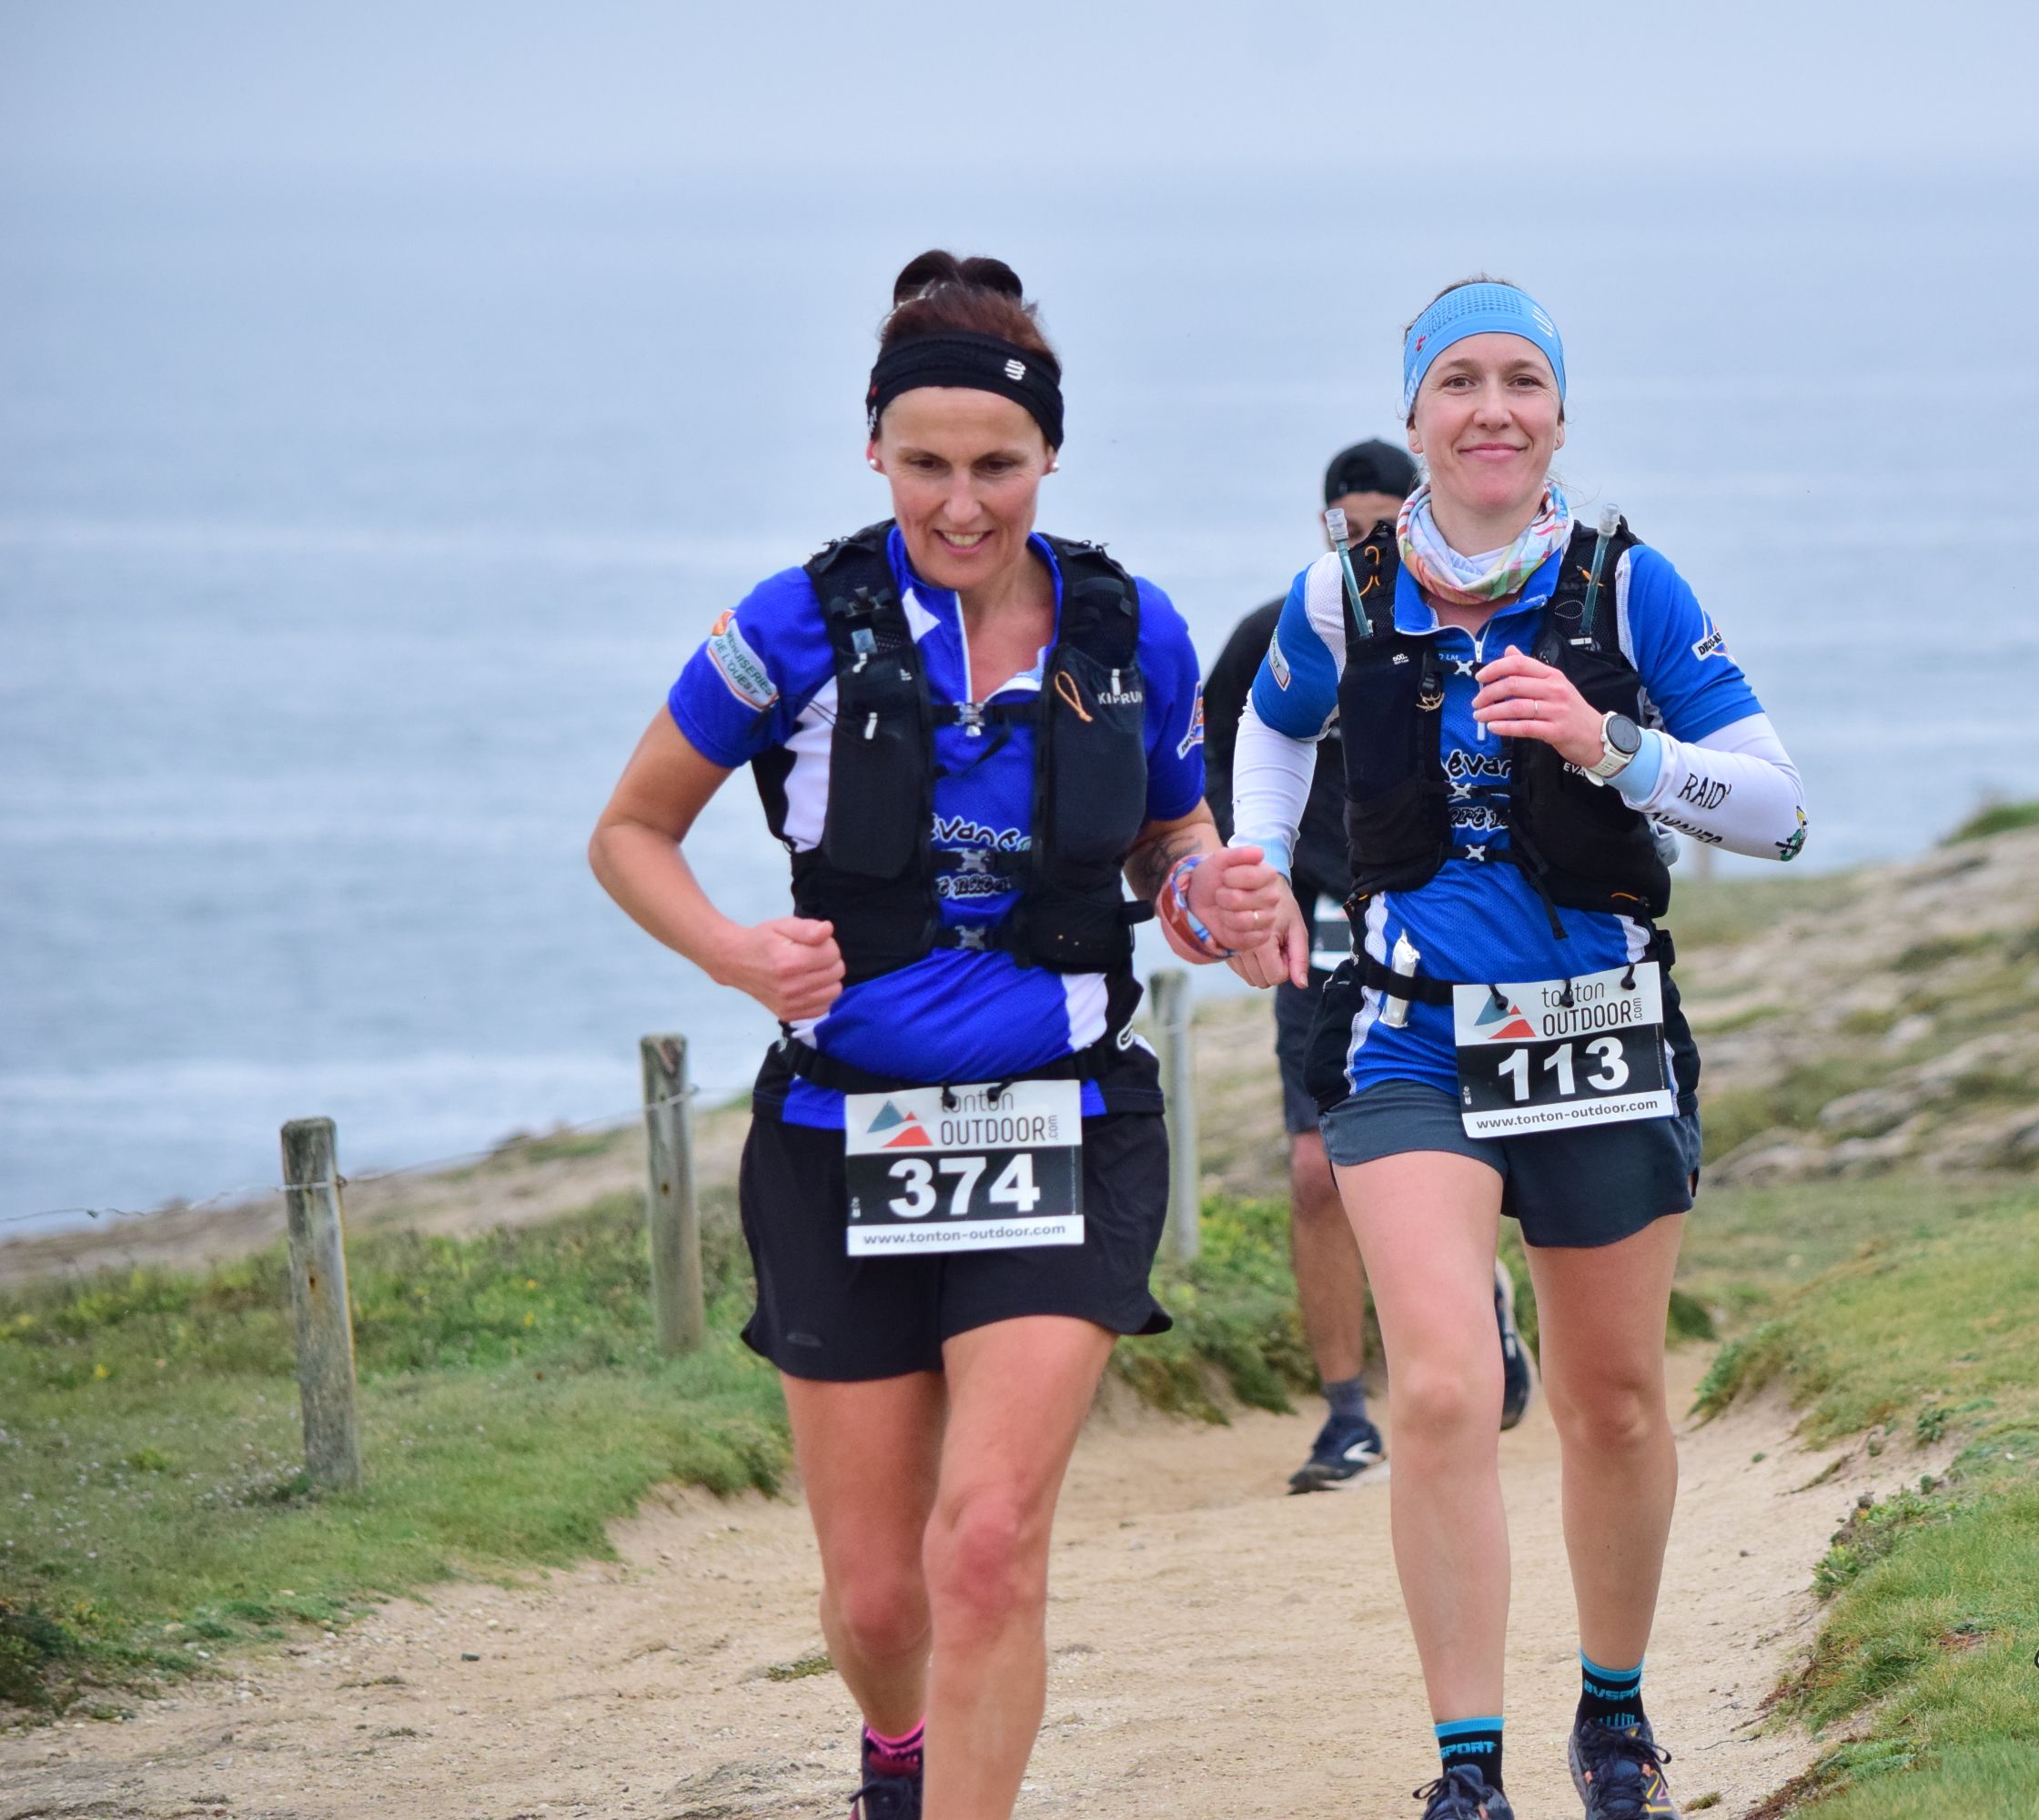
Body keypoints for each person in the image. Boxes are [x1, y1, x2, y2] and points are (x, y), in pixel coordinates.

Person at [589, 251, 1221, 1820]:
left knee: (987, 1543)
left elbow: (1173, 845)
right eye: (926, 464)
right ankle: (896, 1752)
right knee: (879, 1603)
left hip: (1066, 1124)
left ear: (1049, 455)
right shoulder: (790, 626)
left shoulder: (1131, 630)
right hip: (838, 1135)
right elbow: (629, 833)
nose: (961, 503)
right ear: (872, 449)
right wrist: (739, 953)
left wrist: (1215, 901)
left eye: (996, 465)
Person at [1184, 279, 1809, 1819]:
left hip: (1599, 1033)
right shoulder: (1345, 591)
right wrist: (1258, 860)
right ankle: (1467, 1769)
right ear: (1414, 417)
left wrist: (1613, 748)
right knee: (1448, 1391)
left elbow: (1780, 811)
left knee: (1613, 1402)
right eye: (1457, 380)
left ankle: (1613, 1712)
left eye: (1523, 380)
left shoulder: (1628, 587)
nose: (1492, 407)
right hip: (1410, 1037)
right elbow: (1272, 725)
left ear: (1559, 418)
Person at [1201, 439, 1537, 1496]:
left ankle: (1481, 1302)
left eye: (1381, 528)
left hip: (1447, 930)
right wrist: (1248, 881)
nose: (1363, 546)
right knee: (1315, 1172)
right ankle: (1346, 1413)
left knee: (1477, 1151)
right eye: (1344, 530)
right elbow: (1220, 760)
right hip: (1323, 935)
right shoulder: (1283, 630)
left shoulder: (1469, 628)